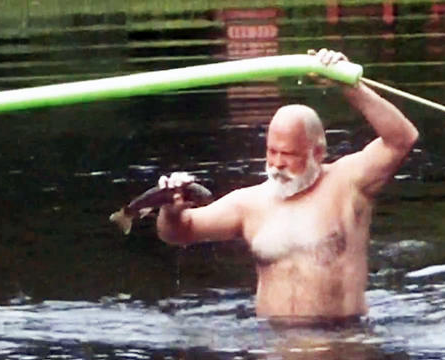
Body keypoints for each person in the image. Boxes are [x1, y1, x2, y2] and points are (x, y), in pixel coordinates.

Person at [156, 49, 418, 323]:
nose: (277, 164)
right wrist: (171, 211)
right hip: (273, 344)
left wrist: (350, 87)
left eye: (289, 154)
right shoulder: (249, 203)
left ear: (317, 153)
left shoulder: (348, 182)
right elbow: (178, 233)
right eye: (271, 151)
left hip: (342, 339)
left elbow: (401, 139)